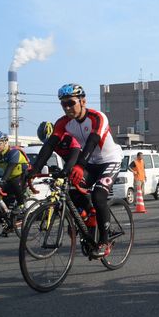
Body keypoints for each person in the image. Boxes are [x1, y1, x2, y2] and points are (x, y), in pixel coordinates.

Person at [29, 83, 123, 257]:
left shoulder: (97, 117)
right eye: (63, 104)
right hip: (90, 163)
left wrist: (79, 165)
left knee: (98, 195)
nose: (67, 107)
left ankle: (104, 240)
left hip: (109, 160)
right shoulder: (63, 122)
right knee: (71, 190)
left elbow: (92, 141)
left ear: (83, 101)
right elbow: (49, 146)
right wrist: (33, 169)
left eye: (71, 103)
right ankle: (91, 217)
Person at [0, 131, 31, 236]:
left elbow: (10, 170)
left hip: (21, 175)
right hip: (9, 177)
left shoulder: (14, 152)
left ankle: (21, 205)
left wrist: (2, 182)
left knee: (14, 182)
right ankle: (8, 221)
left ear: (6, 142)